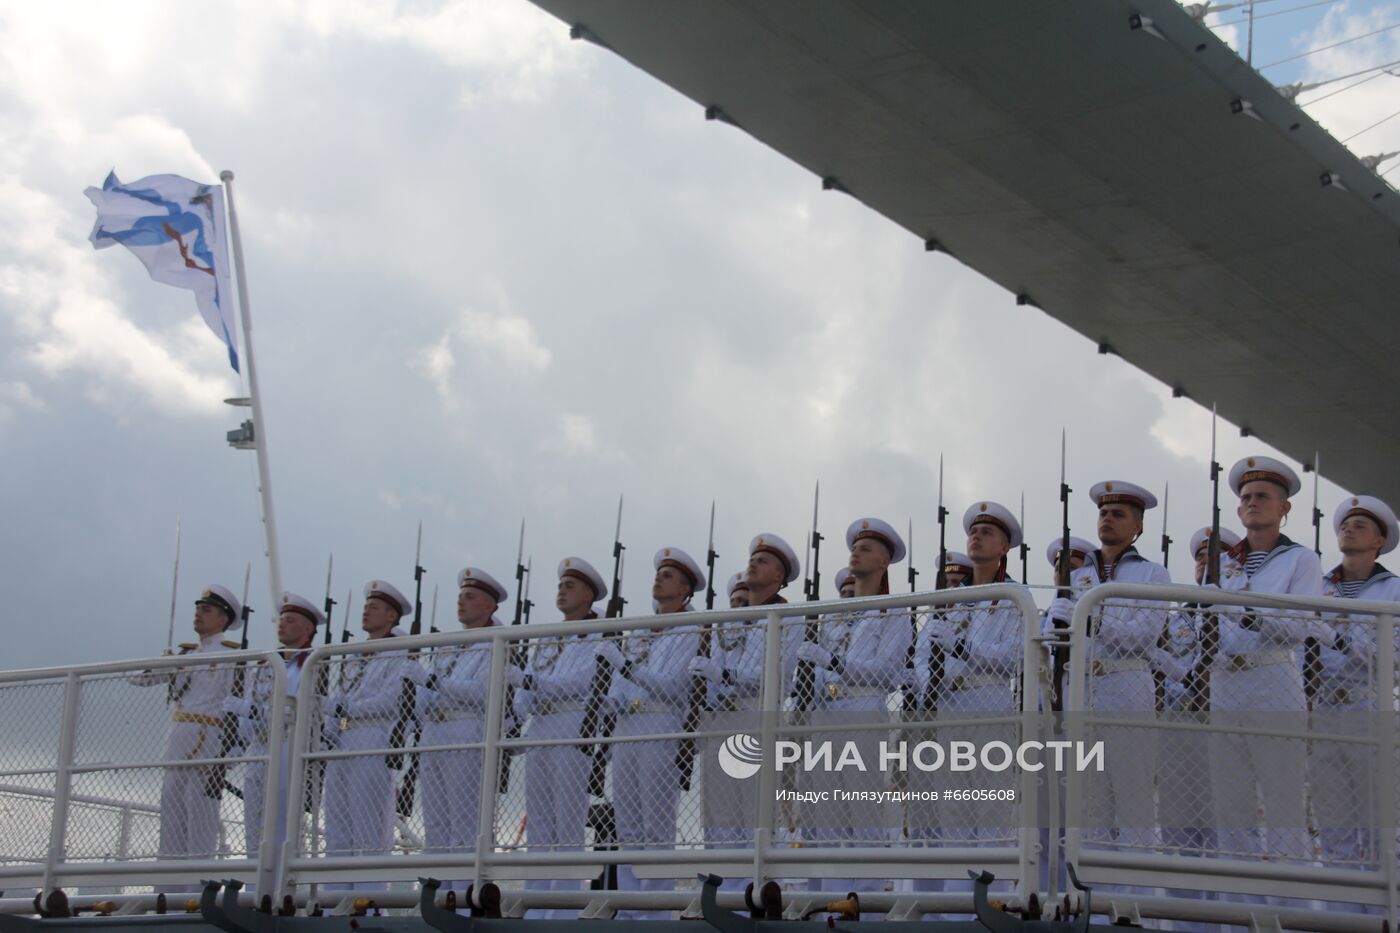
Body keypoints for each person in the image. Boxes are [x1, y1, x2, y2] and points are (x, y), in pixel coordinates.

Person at [1205, 456, 1325, 870]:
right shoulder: (1224, 564)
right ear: (1237, 511)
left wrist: (1247, 611)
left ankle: (1292, 910)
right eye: (1246, 498)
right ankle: (1238, 905)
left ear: (1283, 508)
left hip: (1272, 673)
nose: (1253, 503)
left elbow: (1297, 626)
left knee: (1282, 797)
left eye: (1263, 497)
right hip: (1225, 679)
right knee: (1230, 800)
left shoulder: (1301, 560)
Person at [907, 503, 1026, 910]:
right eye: (973, 531)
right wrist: (930, 682)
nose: (977, 537)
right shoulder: (951, 601)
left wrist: (962, 647)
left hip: (989, 698)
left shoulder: (1015, 597)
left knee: (990, 810)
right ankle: (959, 909)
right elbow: (921, 655)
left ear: (1004, 547)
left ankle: (991, 905)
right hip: (949, 705)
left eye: (988, 533)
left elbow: (1016, 657)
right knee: (952, 812)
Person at [1044, 482, 1168, 848]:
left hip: (1126, 683)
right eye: (1103, 513)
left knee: (1133, 798)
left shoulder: (1152, 575)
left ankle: (1136, 897)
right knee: (1089, 803)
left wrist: (1092, 619)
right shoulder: (1080, 577)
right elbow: (1059, 641)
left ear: (1137, 527)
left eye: (1118, 514)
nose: (1107, 520)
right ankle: (1093, 899)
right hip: (1081, 688)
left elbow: (1143, 637)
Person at [796, 518, 910, 903]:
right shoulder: (832, 615)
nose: (856, 551)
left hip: (863, 706)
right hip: (826, 713)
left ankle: (867, 903)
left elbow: (887, 673)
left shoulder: (892, 612)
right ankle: (832, 901)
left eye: (867, 547)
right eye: (855, 545)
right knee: (828, 816)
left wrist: (834, 663)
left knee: (863, 813)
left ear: (884, 562)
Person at [689, 534, 803, 888]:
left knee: (754, 816)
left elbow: (778, 676)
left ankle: (754, 894)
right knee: (719, 817)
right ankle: (720, 892)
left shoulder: (788, 618)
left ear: (778, 577)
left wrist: (725, 675)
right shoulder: (728, 622)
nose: (753, 563)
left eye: (763, 561)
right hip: (721, 718)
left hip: (757, 718)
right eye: (752, 558)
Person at [596, 547, 704, 919]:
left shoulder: (691, 629)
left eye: (669, 576)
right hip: (629, 725)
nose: (659, 579)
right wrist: (617, 695)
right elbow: (617, 684)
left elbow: (674, 687)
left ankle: (655, 912)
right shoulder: (642, 629)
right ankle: (628, 908)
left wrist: (626, 668)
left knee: (656, 826)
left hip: (662, 722)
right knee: (627, 826)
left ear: (685, 589)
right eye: (659, 573)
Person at [508, 557, 608, 919]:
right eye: (560, 585)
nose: (562, 591)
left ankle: (563, 910)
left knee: (567, 824)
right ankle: (537, 906)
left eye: (570, 586)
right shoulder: (550, 637)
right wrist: (517, 711)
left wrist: (532, 684)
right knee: (540, 823)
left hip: (572, 724)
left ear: (587, 595)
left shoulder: (599, 634)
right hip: (542, 726)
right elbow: (529, 684)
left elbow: (581, 682)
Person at [129, 585, 242, 893]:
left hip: (210, 737)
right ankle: (166, 892)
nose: (199, 614)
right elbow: (137, 678)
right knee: (172, 814)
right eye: (198, 608)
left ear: (223, 618)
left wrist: (230, 750)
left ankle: (197, 893)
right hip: (179, 739)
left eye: (206, 610)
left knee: (201, 816)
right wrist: (163, 661)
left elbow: (239, 704)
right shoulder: (186, 653)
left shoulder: (233, 655)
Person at [1312, 495, 1400, 878]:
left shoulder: (1393, 591)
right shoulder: (1317, 588)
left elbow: (1393, 659)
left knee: (1378, 824)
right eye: (1346, 524)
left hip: (1368, 707)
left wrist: (1340, 639)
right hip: (1324, 709)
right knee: (1334, 827)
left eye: (1361, 525)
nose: (1349, 528)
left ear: (1379, 541)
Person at [407, 567, 507, 889]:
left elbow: (482, 694)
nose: (461, 603)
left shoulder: (495, 643)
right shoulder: (450, 644)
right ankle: (436, 894)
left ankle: (463, 898)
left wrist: (434, 682)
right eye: (460, 596)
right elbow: (426, 695)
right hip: (434, 732)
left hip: (467, 730)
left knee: (464, 823)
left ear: (489, 606)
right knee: (435, 823)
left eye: (470, 597)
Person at [224, 591, 321, 887]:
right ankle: (255, 886)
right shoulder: (268, 664)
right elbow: (250, 709)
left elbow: (297, 707)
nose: (283, 625)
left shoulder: (313, 666)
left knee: (280, 821)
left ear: (307, 630)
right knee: (254, 820)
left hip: (288, 745)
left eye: (291, 621)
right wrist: (234, 748)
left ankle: (280, 886)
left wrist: (250, 709)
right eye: (281, 620)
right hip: (260, 746)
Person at [321, 579, 414, 889]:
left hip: (373, 736)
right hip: (344, 739)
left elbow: (392, 701)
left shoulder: (397, 653)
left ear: (391, 616)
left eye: (374, 607)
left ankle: (369, 899)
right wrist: (331, 727)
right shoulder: (356, 655)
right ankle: (336, 897)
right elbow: (338, 697)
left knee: (368, 824)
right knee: (337, 822)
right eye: (366, 606)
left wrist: (346, 708)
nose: (366, 611)